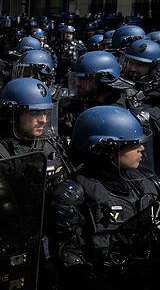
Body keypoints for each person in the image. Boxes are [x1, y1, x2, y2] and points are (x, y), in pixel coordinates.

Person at [50, 106, 159, 290]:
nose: (141, 148)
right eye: (133, 144)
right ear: (108, 149)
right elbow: (68, 257)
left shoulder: (149, 184)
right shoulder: (74, 193)